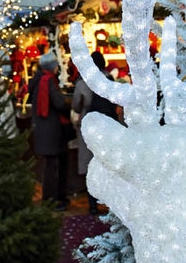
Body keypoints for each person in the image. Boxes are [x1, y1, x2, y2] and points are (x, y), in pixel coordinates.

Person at [72, 51, 121, 215]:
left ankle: (92, 204)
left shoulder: (83, 82)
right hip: (109, 125)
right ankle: (110, 203)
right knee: (108, 163)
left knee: (89, 164)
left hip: (90, 126)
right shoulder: (109, 79)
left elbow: (76, 106)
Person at [28, 53, 72, 210]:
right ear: (53, 66)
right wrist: (69, 104)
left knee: (49, 166)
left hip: (41, 129)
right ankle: (52, 200)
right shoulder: (49, 81)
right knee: (53, 167)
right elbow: (59, 103)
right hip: (52, 130)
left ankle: (51, 198)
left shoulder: (37, 80)